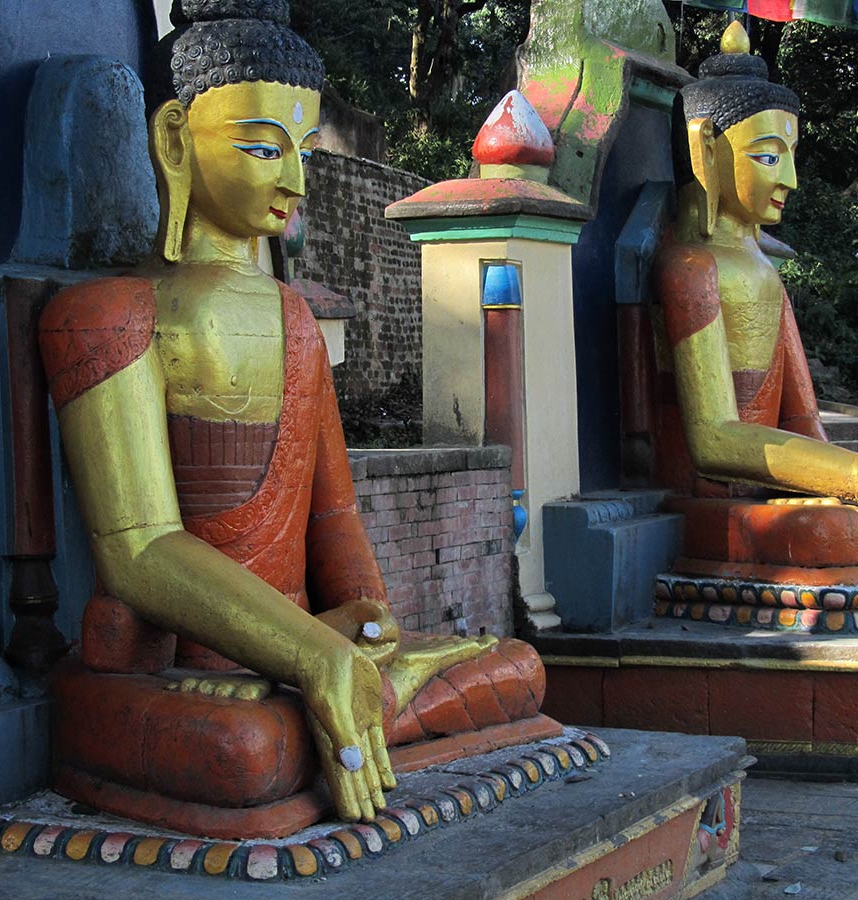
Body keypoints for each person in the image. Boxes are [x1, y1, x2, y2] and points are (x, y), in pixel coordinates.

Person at [40, 0, 545, 829]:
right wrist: (308, 653)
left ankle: (344, 704)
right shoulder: (110, 313)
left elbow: (336, 515)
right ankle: (335, 706)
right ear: (174, 141)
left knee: (516, 666)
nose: (295, 181)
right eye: (259, 147)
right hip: (179, 671)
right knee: (248, 750)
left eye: (303, 151)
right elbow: (139, 553)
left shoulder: (296, 320)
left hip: (307, 656)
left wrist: (366, 628)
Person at [651, 21, 858, 593]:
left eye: (791, 156)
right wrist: (854, 473)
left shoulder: (764, 274)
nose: (794, 180)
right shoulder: (689, 268)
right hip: (710, 500)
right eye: (771, 157)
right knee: (840, 531)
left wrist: (844, 479)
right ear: (706, 148)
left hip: (772, 493)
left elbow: (802, 423)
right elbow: (714, 440)